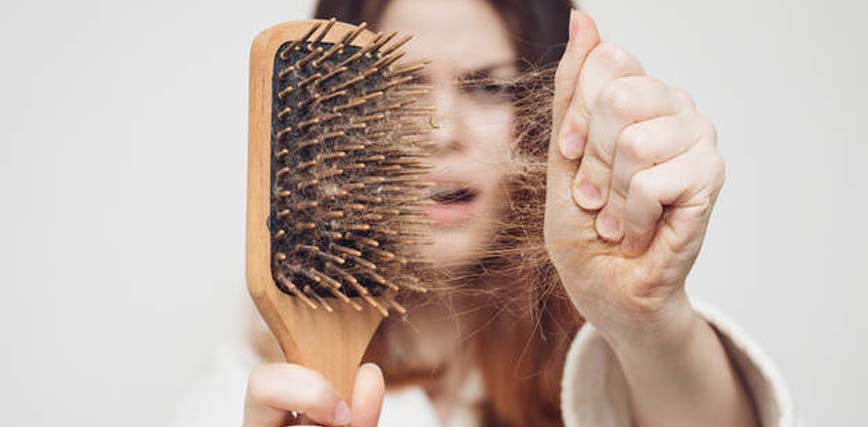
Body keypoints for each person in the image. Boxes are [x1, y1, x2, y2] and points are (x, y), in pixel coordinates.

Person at [233, 1, 796, 426]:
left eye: (490, 87)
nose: (442, 132)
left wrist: (648, 320)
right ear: (333, 118)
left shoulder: (613, 376)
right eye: (403, 85)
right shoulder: (241, 390)